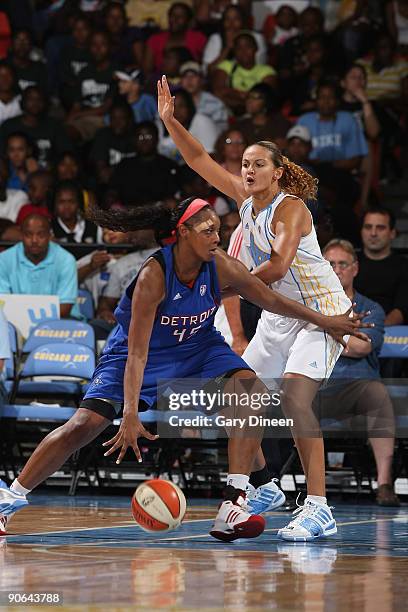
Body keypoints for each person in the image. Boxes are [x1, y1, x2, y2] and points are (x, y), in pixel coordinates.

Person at [0, 197, 369, 538]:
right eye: (208, 231)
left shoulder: (220, 264)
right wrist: (130, 412)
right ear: (182, 234)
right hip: (137, 355)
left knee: (250, 390)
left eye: (219, 231)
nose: (217, 237)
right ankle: (11, 496)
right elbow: (138, 355)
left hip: (197, 347)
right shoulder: (153, 276)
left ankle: (236, 500)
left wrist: (325, 321)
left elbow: (270, 299)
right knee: (82, 427)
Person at [157, 75, 368, 542]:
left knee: (295, 400)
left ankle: (318, 507)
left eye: (258, 164)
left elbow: (275, 268)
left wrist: (219, 291)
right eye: (245, 163)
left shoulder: (291, 209)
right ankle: (265, 486)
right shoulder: (245, 200)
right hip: (279, 313)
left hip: (321, 311)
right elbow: (198, 158)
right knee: (237, 396)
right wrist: (171, 122)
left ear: (278, 172)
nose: (248, 170)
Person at [320, 238, 399, 507]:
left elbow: (362, 347)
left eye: (343, 264)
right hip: (319, 387)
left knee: (377, 393)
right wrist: (345, 336)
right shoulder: (310, 306)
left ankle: (385, 484)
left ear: (355, 269)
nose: (337, 269)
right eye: (330, 264)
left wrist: (324, 333)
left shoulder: (370, 308)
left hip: (357, 387)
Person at [0, 214, 81, 319]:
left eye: (41, 235)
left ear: (49, 235)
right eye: (28, 234)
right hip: (14, 324)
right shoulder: (4, 259)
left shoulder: (66, 260)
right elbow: (2, 304)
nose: (34, 240)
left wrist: (31, 325)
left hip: (61, 324)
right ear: (21, 235)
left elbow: (64, 308)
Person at [355, 207, 408, 326]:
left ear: (392, 233)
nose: (373, 233)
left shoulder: (404, 267)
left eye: (380, 228)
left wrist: (374, 331)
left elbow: (402, 309)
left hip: (390, 335)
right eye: (368, 227)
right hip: (348, 330)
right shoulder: (346, 262)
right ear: (361, 231)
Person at [179, 61, 229, 132]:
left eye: (194, 76)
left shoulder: (214, 103)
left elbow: (222, 129)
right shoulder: (173, 101)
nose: (189, 80)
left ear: (201, 80)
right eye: (185, 76)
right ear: (180, 81)